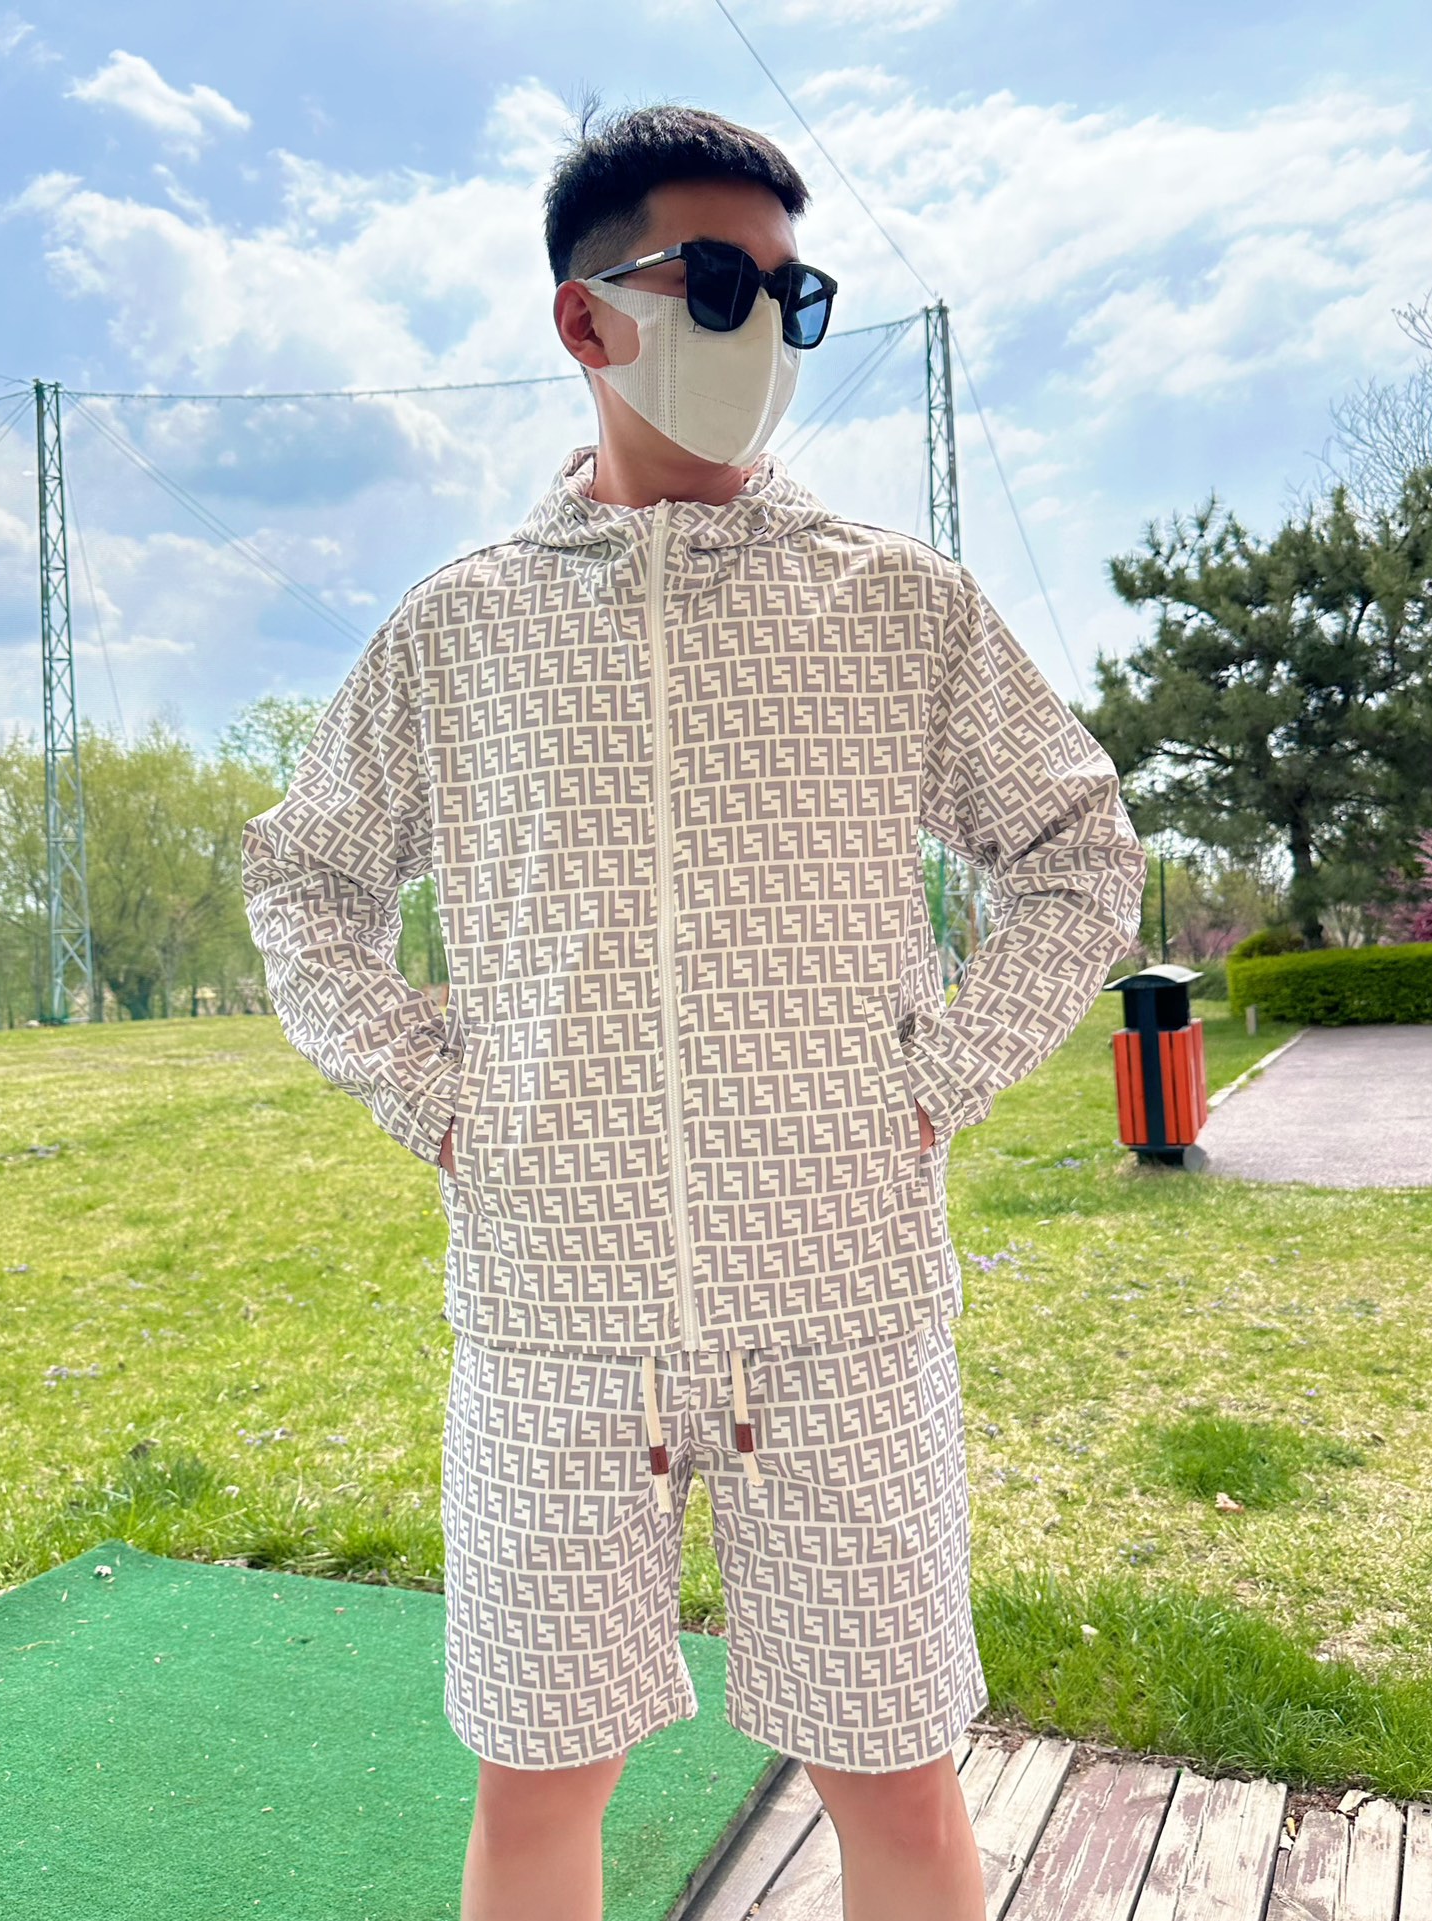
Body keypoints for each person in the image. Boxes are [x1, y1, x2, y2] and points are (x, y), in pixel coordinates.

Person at [242, 99, 1146, 1921]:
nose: (762, 331)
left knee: (894, 1777)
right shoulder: (456, 632)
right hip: (551, 1318)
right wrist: (439, 1094)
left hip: (842, 1301)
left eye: (790, 297)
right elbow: (304, 877)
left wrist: (940, 1073)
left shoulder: (895, 606)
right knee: (536, 1781)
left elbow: (1074, 847)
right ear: (585, 318)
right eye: (715, 283)